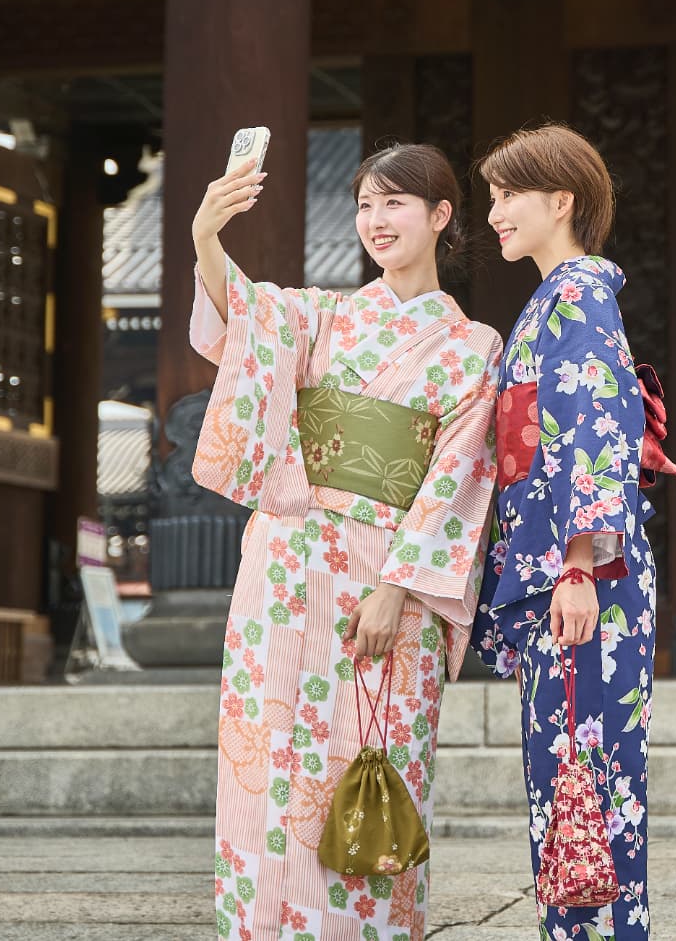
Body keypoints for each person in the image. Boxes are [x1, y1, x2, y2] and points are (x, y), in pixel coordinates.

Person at [189, 142, 501, 941]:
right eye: (365, 204)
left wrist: (399, 586)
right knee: (270, 765)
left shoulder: (474, 348)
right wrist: (206, 239)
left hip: (387, 578)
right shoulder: (323, 313)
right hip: (288, 566)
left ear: (440, 216)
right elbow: (244, 319)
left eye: (395, 202)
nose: (376, 220)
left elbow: (458, 479)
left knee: (372, 763)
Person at [474, 123, 656, 941]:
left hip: (584, 577)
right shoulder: (555, 298)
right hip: (564, 570)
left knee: (591, 774)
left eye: (510, 194)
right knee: (566, 773)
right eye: (489, 195)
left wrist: (580, 562)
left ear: (562, 200)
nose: (495, 212)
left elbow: (597, 426)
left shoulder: (579, 294)